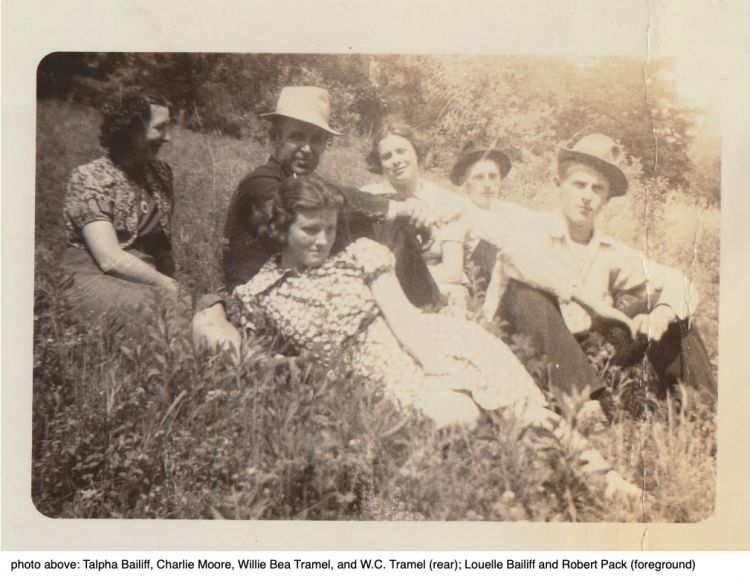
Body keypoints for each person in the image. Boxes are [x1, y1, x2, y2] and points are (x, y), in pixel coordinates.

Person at [211, 174, 642, 498]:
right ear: (281, 227)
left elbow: (402, 317)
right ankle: (536, 480)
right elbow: (249, 354)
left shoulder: (358, 256)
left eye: (329, 228)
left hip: (421, 342)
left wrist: (437, 368)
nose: (323, 240)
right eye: (310, 230)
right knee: (461, 416)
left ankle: (607, 483)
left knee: (513, 404)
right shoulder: (259, 294)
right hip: (362, 373)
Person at [481, 134, 717, 407]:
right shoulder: (531, 227)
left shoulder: (610, 250)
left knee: (671, 307)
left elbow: (680, 281)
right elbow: (514, 257)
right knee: (527, 293)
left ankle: (703, 409)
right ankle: (586, 408)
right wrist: (592, 304)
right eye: (579, 185)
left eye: (597, 189)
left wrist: (662, 314)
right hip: (521, 348)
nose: (587, 196)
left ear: (606, 199)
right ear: (558, 185)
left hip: (585, 355)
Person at [222, 87, 442, 307]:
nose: (307, 148)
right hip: (261, 296)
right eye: (297, 137)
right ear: (276, 137)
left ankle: (425, 307)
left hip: (299, 285)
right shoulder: (260, 183)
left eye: (317, 140)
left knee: (390, 225)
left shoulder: (308, 181)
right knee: (380, 224)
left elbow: (345, 195)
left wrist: (410, 205)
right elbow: (306, 205)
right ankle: (424, 308)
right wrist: (396, 209)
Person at [62, 88, 181, 319]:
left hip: (143, 278)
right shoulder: (90, 177)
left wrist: (171, 282)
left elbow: (162, 246)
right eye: (160, 127)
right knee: (175, 313)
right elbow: (109, 258)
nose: (168, 138)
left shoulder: (161, 174)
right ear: (132, 128)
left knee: (209, 308)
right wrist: (168, 285)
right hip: (93, 278)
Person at [361, 120, 468, 309]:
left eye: (401, 151)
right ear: (379, 163)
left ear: (416, 152)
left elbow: (453, 273)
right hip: (381, 287)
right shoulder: (369, 197)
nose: (396, 160)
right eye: (387, 156)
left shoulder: (446, 202)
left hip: (437, 285)